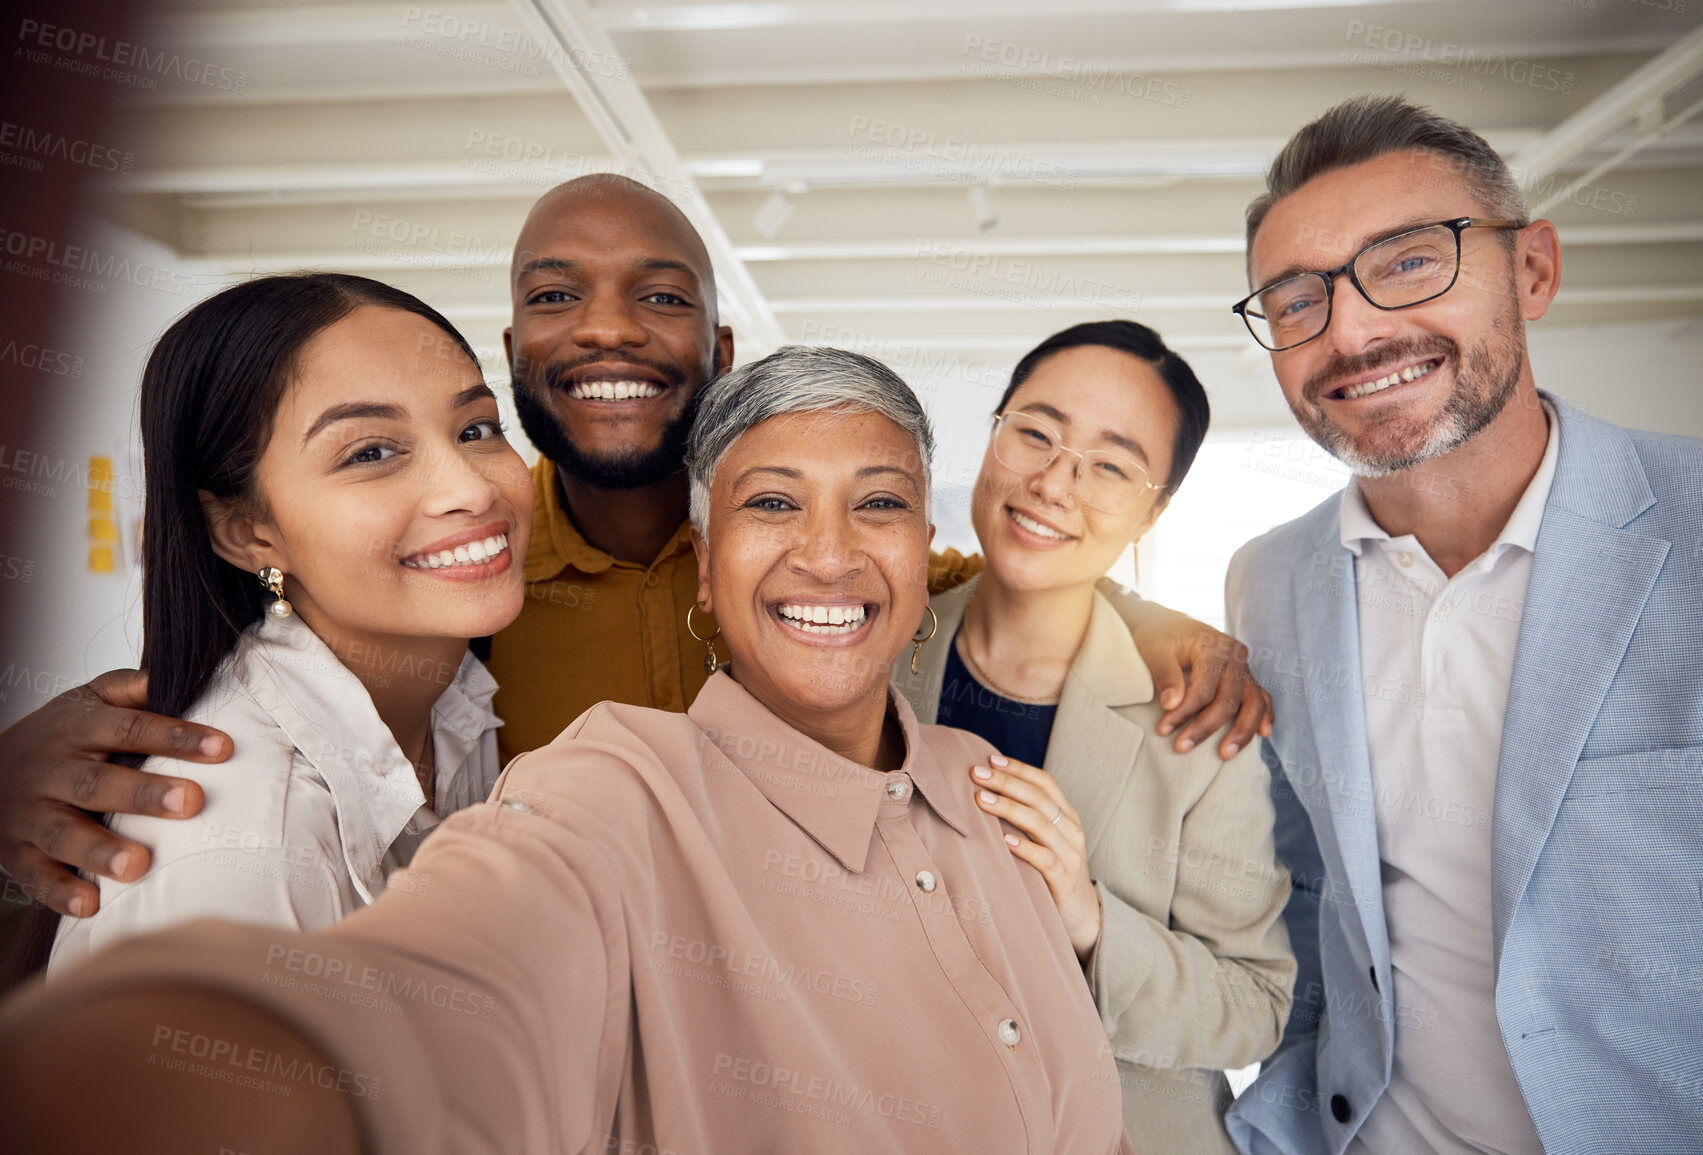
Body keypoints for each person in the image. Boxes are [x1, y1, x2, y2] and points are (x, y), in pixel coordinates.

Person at [0, 175, 1273, 927]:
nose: (608, 332)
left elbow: (1015, 585)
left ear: (720, 353)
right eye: (556, 297)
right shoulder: (468, 592)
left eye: (662, 296)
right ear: (514, 355)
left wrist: (1170, 631)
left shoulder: (829, 577)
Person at [1, 346, 1136, 1155]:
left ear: (924, 548)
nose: (830, 555)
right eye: (774, 505)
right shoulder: (610, 791)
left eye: (878, 504)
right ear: (704, 562)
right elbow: (465, 977)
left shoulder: (996, 800)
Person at [1221, 95, 1703, 1155]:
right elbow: (1313, 903)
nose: (1352, 332)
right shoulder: (1267, 583)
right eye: (1297, 300)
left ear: (1533, 271)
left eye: (1408, 261)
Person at [43, 273, 534, 976]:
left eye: (476, 428)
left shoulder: (451, 701)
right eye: (371, 452)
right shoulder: (243, 847)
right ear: (247, 533)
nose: (472, 486)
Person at [892, 320, 1295, 1154]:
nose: (1053, 483)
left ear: (1154, 510)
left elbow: (1255, 1006)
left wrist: (1086, 920)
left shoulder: (1200, 716)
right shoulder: (872, 657)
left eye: (1110, 465)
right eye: (1033, 433)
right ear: (993, 433)